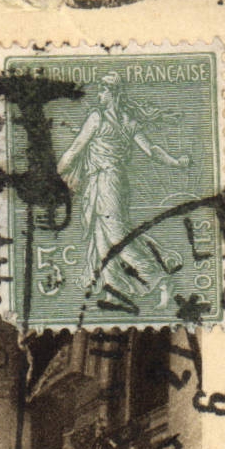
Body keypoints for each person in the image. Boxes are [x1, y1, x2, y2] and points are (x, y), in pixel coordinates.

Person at [56, 71, 192, 305]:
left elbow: (74, 150)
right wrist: (176, 162)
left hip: (107, 183)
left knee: (117, 236)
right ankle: (113, 290)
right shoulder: (129, 122)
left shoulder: (97, 119)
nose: (99, 95)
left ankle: (159, 279)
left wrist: (54, 173)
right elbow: (152, 150)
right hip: (109, 183)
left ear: (114, 93)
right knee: (102, 237)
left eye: (103, 90)